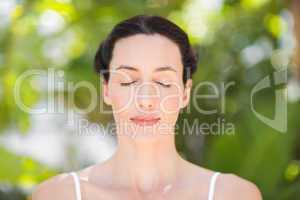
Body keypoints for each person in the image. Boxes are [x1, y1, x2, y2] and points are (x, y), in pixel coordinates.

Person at [32, 14, 262, 200]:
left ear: (185, 93)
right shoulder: (58, 194)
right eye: (129, 81)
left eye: (163, 82)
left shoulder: (232, 194)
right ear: (106, 89)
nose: (146, 100)